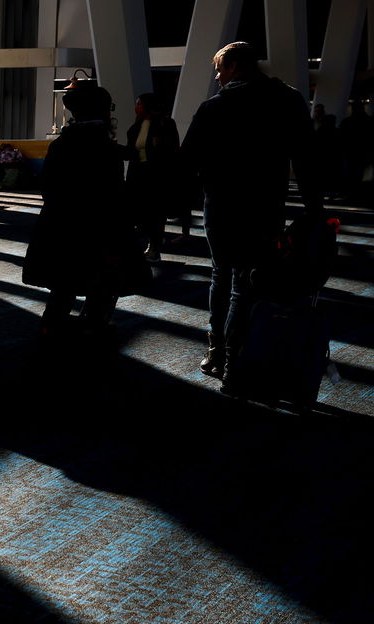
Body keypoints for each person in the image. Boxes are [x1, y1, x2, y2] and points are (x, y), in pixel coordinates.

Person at [181, 41, 322, 388]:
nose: (217, 77)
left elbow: (187, 162)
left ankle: (220, 353)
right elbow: (305, 158)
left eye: (219, 69)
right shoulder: (288, 100)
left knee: (222, 274)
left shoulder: (215, 107)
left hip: (222, 205)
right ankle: (239, 355)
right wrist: (314, 208)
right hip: (266, 204)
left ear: (232, 66)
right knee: (250, 280)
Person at [23, 81, 147, 339]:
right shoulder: (105, 148)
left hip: (62, 225)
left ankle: (51, 331)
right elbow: (113, 193)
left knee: (63, 285)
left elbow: (48, 188)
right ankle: (92, 329)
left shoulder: (61, 145)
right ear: (102, 110)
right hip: (100, 229)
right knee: (101, 282)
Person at [124, 93, 182, 262]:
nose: (137, 107)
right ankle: (150, 243)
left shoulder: (166, 124)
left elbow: (173, 151)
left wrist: (160, 147)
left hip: (156, 177)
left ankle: (154, 246)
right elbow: (131, 150)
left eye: (139, 104)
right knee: (140, 212)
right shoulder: (136, 127)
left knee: (155, 213)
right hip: (138, 175)